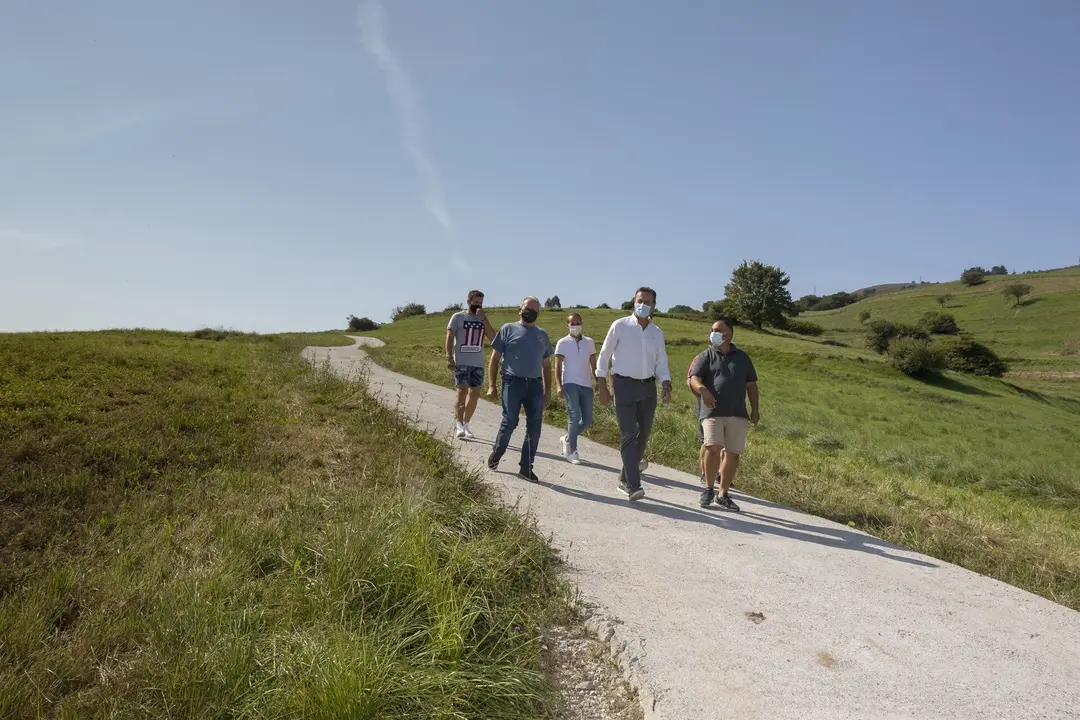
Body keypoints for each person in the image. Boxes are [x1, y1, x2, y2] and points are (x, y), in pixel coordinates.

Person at [596, 287, 671, 501]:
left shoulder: (657, 332)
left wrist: (666, 385)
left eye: (647, 302)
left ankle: (624, 478)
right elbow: (604, 355)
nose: (643, 305)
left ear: (654, 305)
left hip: (648, 388)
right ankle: (633, 485)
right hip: (623, 386)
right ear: (633, 301)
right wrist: (601, 385)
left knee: (643, 436)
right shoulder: (620, 326)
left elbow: (661, 362)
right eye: (640, 301)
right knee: (629, 434)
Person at [688, 317, 760, 510]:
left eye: (717, 330)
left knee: (733, 453)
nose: (712, 333)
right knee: (712, 447)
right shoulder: (705, 356)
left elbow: (752, 385)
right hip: (712, 411)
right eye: (712, 330)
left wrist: (755, 410)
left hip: (737, 412)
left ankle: (723, 494)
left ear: (728, 335)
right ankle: (708, 489)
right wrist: (703, 389)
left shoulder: (743, 358)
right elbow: (694, 378)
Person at [486, 297, 553, 482]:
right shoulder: (508, 329)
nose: (530, 311)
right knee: (510, 421)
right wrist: (491, 385)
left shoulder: (542, 335)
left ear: (538, 313)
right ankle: (497, 453)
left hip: (535, 385)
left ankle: (526, 467)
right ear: (520, 309)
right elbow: (494, 359)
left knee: (535, 427)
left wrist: (548, 392)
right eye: (527, 308)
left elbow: (547, 366)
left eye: (534, 309)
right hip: (512, 382)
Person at [445, 290, 496, 440]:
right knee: (461, 391)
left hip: (477, 363)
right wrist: (448, 356)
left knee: (474, 394)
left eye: (480, 303)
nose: (478, 305)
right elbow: (449, 336)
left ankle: (466, 425)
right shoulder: (458, 317)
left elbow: (493, 337)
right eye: (475, 302)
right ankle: (459, 424)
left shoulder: (482, 318)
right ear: (469, 302)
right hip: (461, 361)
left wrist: (484, 318)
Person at [554, 313, 597, 465]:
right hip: (570, 382)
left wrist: (598, 381)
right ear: (567, 324)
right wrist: (558, 385)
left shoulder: (589, 342)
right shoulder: (562, 343)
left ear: (582, 323)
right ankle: (572, 450)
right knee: (574, 415)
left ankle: (567, 438)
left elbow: (593, 364)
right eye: (572, 323)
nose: (575, 326)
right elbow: (557, 366)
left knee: (587, 420)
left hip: (586, 384)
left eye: (578, 323)